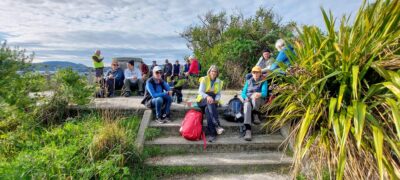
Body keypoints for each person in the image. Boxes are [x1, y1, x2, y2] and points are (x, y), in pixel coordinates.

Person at [197, 65, 224, 142]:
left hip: (212, 100)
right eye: (212, 71)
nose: (213, 73)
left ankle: (212, 133)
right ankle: (217, 125)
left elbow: (218, 94)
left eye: (215, 71)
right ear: (209, 71)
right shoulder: (204, 79)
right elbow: (200, 91)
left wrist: (216, 99)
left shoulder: (218, 81)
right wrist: (207, 96)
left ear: (217, 73)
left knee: (207, 110)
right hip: (202, 99)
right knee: (209, 102)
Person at [241, 66, 268, 141]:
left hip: (259, 100)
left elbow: (265, 93)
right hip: (248, 99)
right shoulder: (248, 81)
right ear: (252, 73)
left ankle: (256, 114)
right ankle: (248, 130)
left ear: (260, 73)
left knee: (255, 97)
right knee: (247, 105)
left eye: (257, 72)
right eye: (254, 72)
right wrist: (245, 98)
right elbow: (243, 93)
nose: (255, 74)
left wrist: (258, 94)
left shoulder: (263, 81)